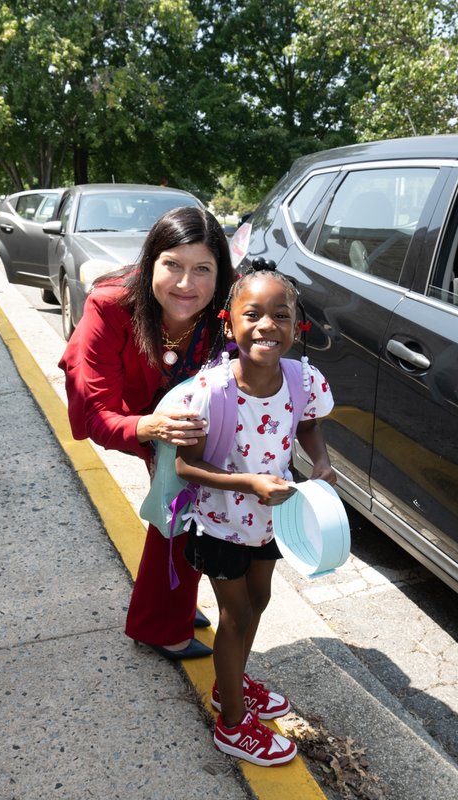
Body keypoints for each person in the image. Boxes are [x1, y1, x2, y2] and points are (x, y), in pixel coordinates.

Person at [174, 264, 335, 766]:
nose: (268, 325)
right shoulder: (210, 391)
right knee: (236, 613)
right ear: (230, 324)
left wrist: (321, 462)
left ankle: (230, 684)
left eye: (281, 315)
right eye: (254, 314)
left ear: (297, 327)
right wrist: (248, 483)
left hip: (271, 520)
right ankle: (232, 724)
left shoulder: (302, 379)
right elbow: (185, 465)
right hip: (220, 523)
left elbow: (308, 425)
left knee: (260, 599)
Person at [58, 206, 234, 659]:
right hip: (132, 410)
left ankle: (172, 605)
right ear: (151, 261)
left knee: (192, 502)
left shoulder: (226, 309)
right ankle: (160, 626)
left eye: (202, 269)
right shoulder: (110, 306)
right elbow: (98, 414)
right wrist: (148, 427)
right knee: (176, 506)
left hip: (182, 412)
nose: (186, 284)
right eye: (172, 265)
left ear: (220, 274)